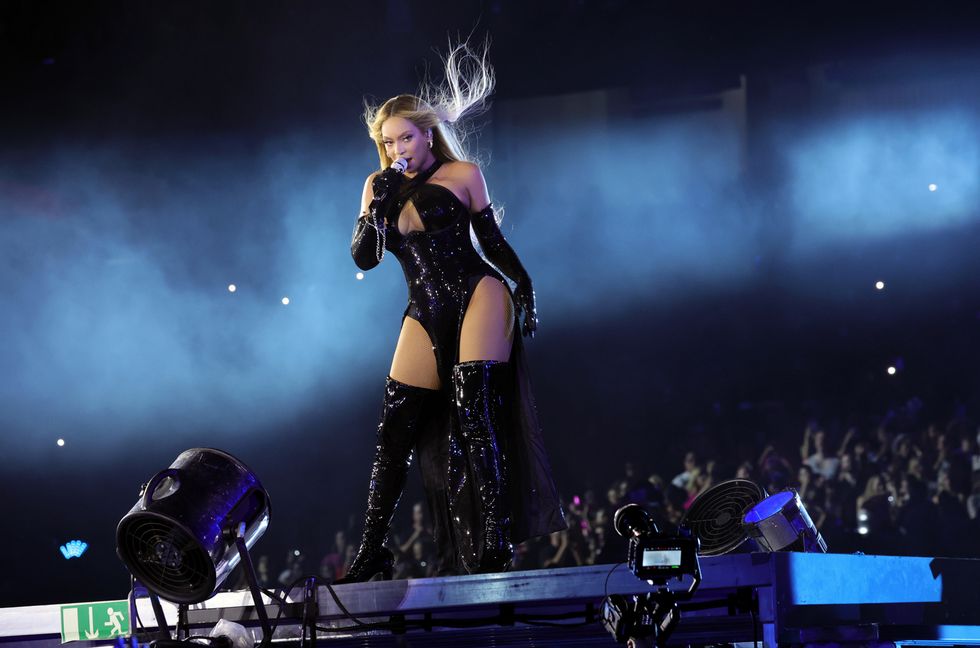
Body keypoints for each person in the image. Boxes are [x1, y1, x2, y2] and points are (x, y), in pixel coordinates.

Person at [338, 42, 565, 583]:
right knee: (394, 428)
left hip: (477, 290)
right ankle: (373, 549)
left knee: (474, 410)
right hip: (424, 305)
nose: (398, 148)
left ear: (426, 134)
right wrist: (379, 204)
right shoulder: (377, 186)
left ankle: (495, 534)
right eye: (388, 140)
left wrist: (525, 283)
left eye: (406, 137)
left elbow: (492, 242)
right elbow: (363, 259)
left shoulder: (463, 174)